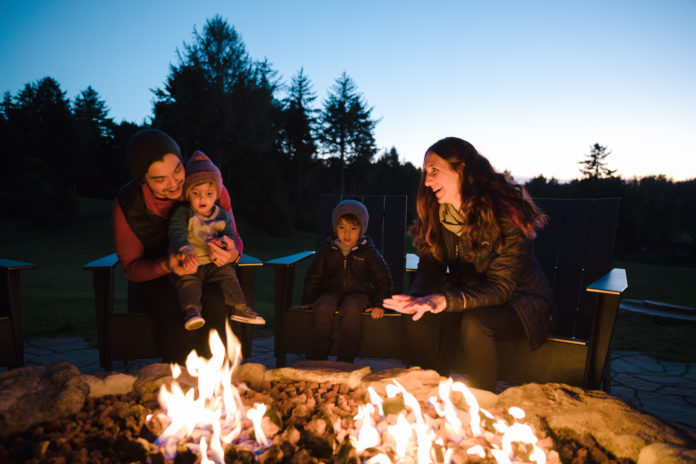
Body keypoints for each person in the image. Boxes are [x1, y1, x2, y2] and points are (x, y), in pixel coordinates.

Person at [383, 137, 555, 391]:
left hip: (521, 303)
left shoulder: (505, 215)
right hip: (470, 297)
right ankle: (430, 393)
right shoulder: (441, 214)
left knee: (476, 322)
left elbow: (501, 287)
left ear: (461, 169)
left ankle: (482, 402)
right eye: (425, 173)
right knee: (415, 315)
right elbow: (431, 266)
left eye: (434, 171)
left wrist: (445, 300)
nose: (427, 181)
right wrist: (417, 298)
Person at [112, 128, 244, 363]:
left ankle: (215, 383)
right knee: (176, 305)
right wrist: (166, 265)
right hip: (157, 278)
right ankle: (181, 386)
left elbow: (235, 240)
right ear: (142, 179)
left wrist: (232, 253)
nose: (174, 184)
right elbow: (131, 267)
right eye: (159, 179)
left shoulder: (207, 186)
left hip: (207, 271)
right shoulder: (128, 205)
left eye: (177, 170)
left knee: (216, 299)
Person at [168, 151, 265, 331]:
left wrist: (225, 244)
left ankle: (239, 307)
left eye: (209, 193)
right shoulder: (183, 213)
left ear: (217, 194)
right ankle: (192, 311)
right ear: (188, 195)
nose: (203, 198)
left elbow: (230, 235)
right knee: (188, 283)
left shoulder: (222, 215)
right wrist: (185, 249)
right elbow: (176, 232)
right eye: (196, 193)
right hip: (191, 262)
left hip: (214, 263)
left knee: (229, 276)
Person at [301, 199, 393, 363]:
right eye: (342, 227)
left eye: (353, 229)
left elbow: (384, 279)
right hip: (331, 292)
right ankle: (318, 355)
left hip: (360, 294)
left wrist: (379, 304)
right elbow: (313, 275)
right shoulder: (327, 250)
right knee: (323, 305)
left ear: (362, 230)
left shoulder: (369, 253)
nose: (347, 234)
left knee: (351, 308)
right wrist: (308, 300)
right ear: (335, 228)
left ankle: (346, 357)